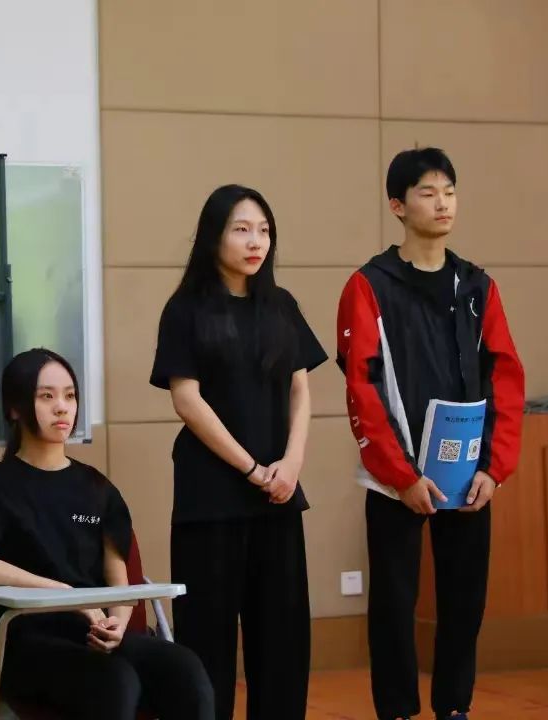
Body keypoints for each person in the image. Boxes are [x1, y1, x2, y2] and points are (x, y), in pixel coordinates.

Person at [336, 147, 525, 720]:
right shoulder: (369, 286)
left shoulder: (478, 286)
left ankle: (454, 707)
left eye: (450, 191)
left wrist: (494, 467)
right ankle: (397, 709)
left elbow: (506, 375)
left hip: (468, 474)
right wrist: (402, 475)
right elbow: (363, 386)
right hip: (397, 478)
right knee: (394, 603)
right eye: (427, 192)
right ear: (397, 205)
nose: (443, 203)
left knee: (464, 601)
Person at [0, 348, 215, 720]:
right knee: (115, 681)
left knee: (185, 671)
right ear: (14, 408)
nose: (62, 407)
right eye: (47, 396)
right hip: (26, 644)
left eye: (70, 395)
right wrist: (65, 594)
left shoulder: (97, 488)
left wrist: (116, 625)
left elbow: (119, 582)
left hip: (93, 635)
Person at [149, 184, 328, 719]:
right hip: (211, 497)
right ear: (214, 236)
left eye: (264, 231)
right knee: (207, 639)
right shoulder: (186, 309)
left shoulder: (281, 305)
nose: (256, 242)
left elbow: (300, 390)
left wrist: (291, 463)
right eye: (242, 229)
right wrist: (251, 468)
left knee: (283, 638)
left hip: (278, 494)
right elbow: (187, 399)